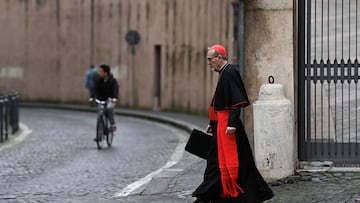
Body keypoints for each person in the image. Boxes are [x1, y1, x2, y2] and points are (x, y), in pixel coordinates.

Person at [192, 45, 274, 203]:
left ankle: (206, 196)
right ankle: (216, 195)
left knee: (230, 162)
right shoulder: (224, 73)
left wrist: (231, 125)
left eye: (210, 59)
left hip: (228, 128)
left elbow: (236, 102)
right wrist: (212, 123)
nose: (208, 63)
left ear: (219, 58)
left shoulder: (230, 73)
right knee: (225, 162)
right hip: (221, 126)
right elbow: (220, 101)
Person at [89, 64, 119, 135]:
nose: (100, 73)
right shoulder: (98, 81)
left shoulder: (113, 81)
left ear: (106, 73)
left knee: (109, 108)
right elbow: (94, 89)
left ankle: (112, 124)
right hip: (101, 99)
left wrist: (115, 98)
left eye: (101, 72)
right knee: (100, 111)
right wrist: (92, 97)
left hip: (110, 99)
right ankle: (100, 131)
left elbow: (115, 90)